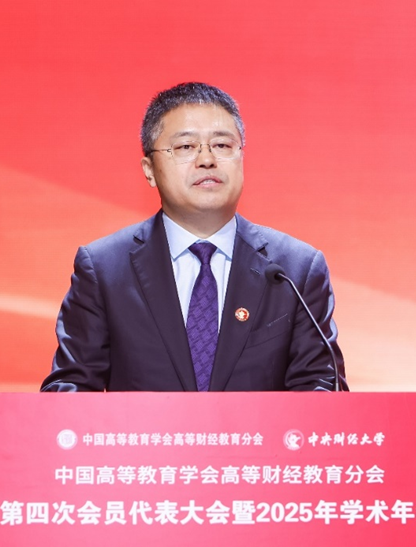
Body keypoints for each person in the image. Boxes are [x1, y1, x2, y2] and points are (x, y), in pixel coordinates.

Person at [40, 82, 346, 392]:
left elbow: (322, 389)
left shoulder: (295, 270)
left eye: (222, 145)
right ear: (149, 170)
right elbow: (70, 389)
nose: (207, 159)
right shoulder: (105, 270)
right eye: (186, 147)